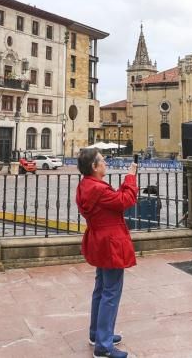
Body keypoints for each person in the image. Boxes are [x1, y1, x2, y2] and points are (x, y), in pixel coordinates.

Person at [76, 148, 138, 358]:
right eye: (102, 160)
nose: (105, 162)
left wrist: (122, 186)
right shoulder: (100, 190)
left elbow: (113, 201)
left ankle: (98, 333)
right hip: (111, 243)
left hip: (99, 240)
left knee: (101, 288)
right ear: (94, 167)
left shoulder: (85, 186)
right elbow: (125, 201)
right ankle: (103, 345)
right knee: (111, 292)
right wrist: (130, 176)